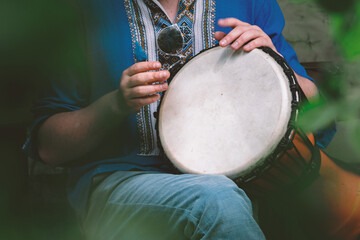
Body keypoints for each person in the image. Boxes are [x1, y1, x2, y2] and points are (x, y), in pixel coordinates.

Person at [23, 0, 331, 239]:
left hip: (245, 183)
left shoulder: (249, 3)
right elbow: (49, 147)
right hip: (119, 186)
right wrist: (115, 105)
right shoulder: (83, 11)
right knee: (218, 201)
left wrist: (276, 62)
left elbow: (318, 114)